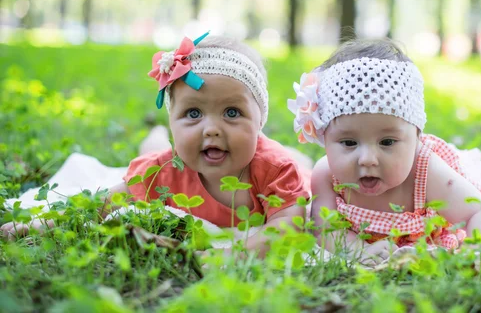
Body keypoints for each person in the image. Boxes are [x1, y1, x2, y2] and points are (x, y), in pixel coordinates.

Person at [2, 34, 311, 256]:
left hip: (282, 158)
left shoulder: (276, 169)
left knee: (300, 162)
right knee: (151, 152)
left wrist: (230, 255)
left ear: (260, 121)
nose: (212, 129)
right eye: (193, 113)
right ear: (174, 117)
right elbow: (105, 203)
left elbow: (288, 226)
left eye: (232, 112)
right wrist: (45, 222)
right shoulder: (163, 168)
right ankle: (155, 134)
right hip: (162, 158)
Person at [287, 38, 481, 266]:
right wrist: (360, 251)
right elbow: (324, 231)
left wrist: (470, 257)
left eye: (388, 142)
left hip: (460, 186)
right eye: (349, 143)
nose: (368, 159)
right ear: (324, 138)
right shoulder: (326, 175)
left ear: (416, 137)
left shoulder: (424, 170)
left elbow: (479, 212)